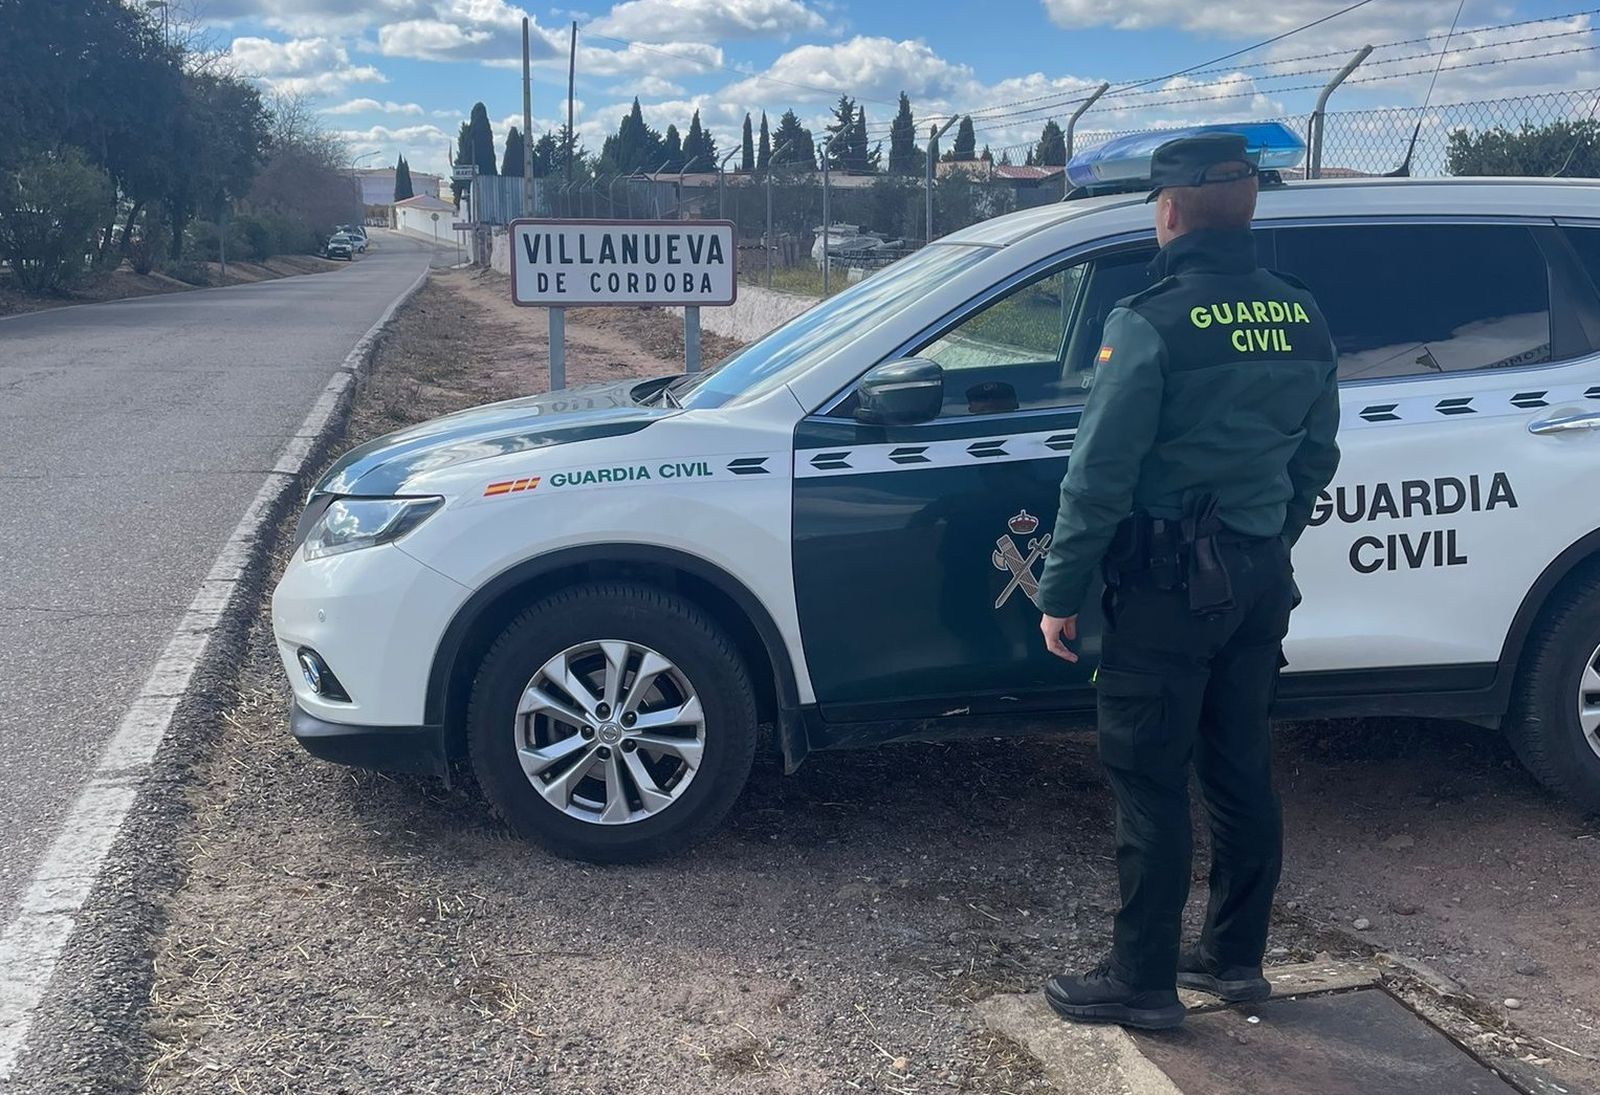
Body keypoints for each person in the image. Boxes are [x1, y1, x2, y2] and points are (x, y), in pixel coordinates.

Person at [1032, 133, 1341, 1030]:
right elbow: (1317, 456)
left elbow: (1099, 474)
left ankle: (1143, 979)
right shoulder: (1302, 315)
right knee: (1240, 765)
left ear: (1167, 211)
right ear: (1248, 208)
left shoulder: (1150, 322)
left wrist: (1060, 591)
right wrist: (1265, 538)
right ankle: (1236, 959)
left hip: (1167, 588)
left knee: (1149, 774)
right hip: (1254, 576)